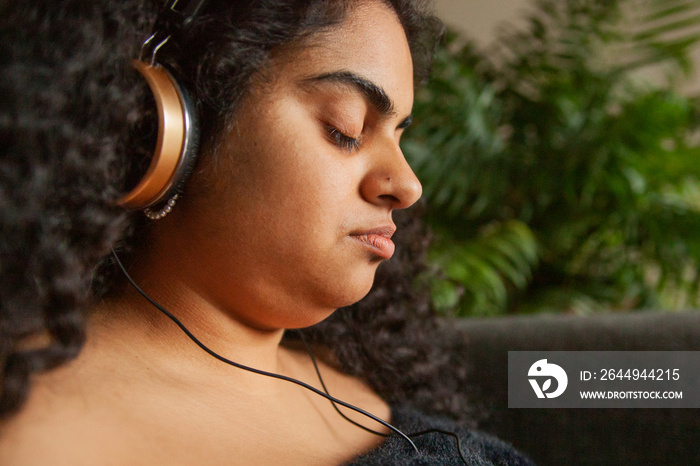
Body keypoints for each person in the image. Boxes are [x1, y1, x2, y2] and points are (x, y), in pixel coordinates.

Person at [0, 0, 534, 463]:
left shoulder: (360, 377)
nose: (407, 185)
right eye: (345, 129)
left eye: (399, 136)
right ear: (159, 126)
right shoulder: (36, 432)